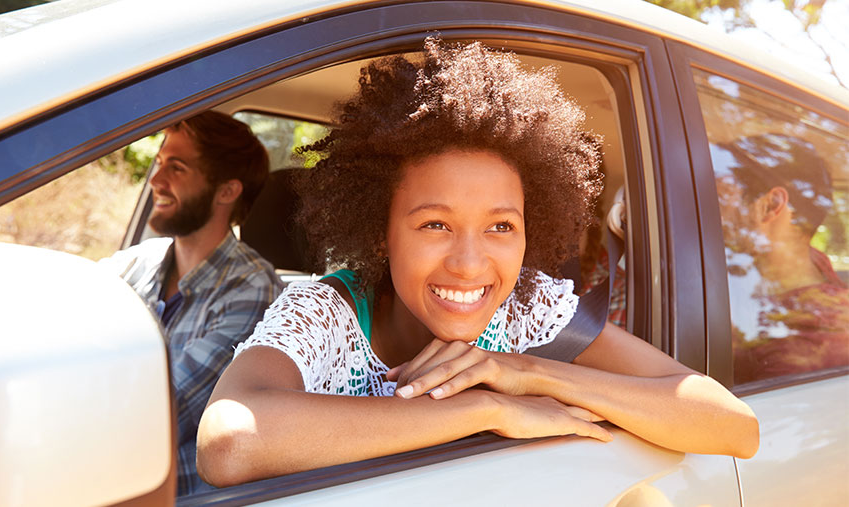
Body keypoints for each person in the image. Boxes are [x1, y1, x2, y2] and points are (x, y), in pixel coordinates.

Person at [196, 39, 758, 487]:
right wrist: (486, 410)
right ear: (379, 232)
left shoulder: (527, 307)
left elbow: (734, 427)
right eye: (435, 224)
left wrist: (527, 372)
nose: (469, 265)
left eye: (500, 227)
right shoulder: (326, 314)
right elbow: (229, 443)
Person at [100, 111, 283, 495]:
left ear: (226, 191)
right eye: (160, 162)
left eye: (177, 168)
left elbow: (158, 416)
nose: (156, 180)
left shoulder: (251, 289)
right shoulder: (136, 262)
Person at [712, 134, 849, 384]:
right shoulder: (808, 263)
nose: (712, 212)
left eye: (720, 195)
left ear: (771, 205)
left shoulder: (803, 344)